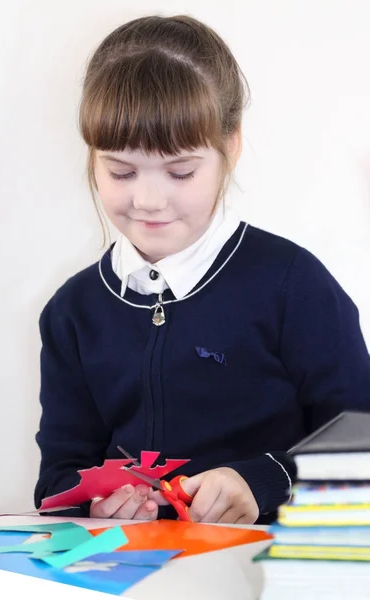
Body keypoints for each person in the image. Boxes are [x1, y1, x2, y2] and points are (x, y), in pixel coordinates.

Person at [34, 14, 370, 525]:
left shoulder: (291, 284)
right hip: (131, 573)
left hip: (266, 567)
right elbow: (59, 478)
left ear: (230, 147)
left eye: (181, 171)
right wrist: (95, 504)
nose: (148, 200)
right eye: (120, 170)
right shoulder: (71, 312)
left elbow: (361, 440)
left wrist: (263, 481)